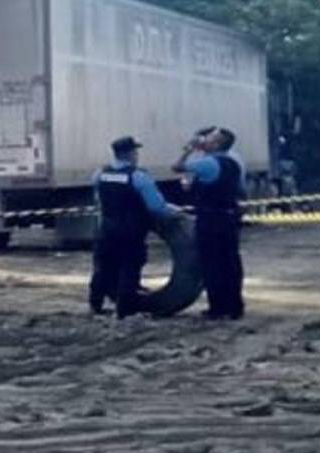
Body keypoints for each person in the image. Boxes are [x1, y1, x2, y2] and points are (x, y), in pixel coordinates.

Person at [90, 136, 178, 319]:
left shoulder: (100, 173)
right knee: (129, 267)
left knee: (103, 266)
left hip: (106, 228)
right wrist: (174, 214)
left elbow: (99, 198)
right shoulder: (138, 176)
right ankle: (125, 309)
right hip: (131, 230)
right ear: (131, 154)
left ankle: (95, 304)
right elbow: (156, 207)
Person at [173, 126, 245, 320]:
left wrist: (188, 149)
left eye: (211, 138)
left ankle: (218, 307)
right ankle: (235, 306)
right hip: (230, 218)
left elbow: (177, 167)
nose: (206, 140)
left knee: (212, 263)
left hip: (210, 219)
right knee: (231, 262)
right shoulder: (235, 162)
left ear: (217, 144)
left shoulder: (208, 164)